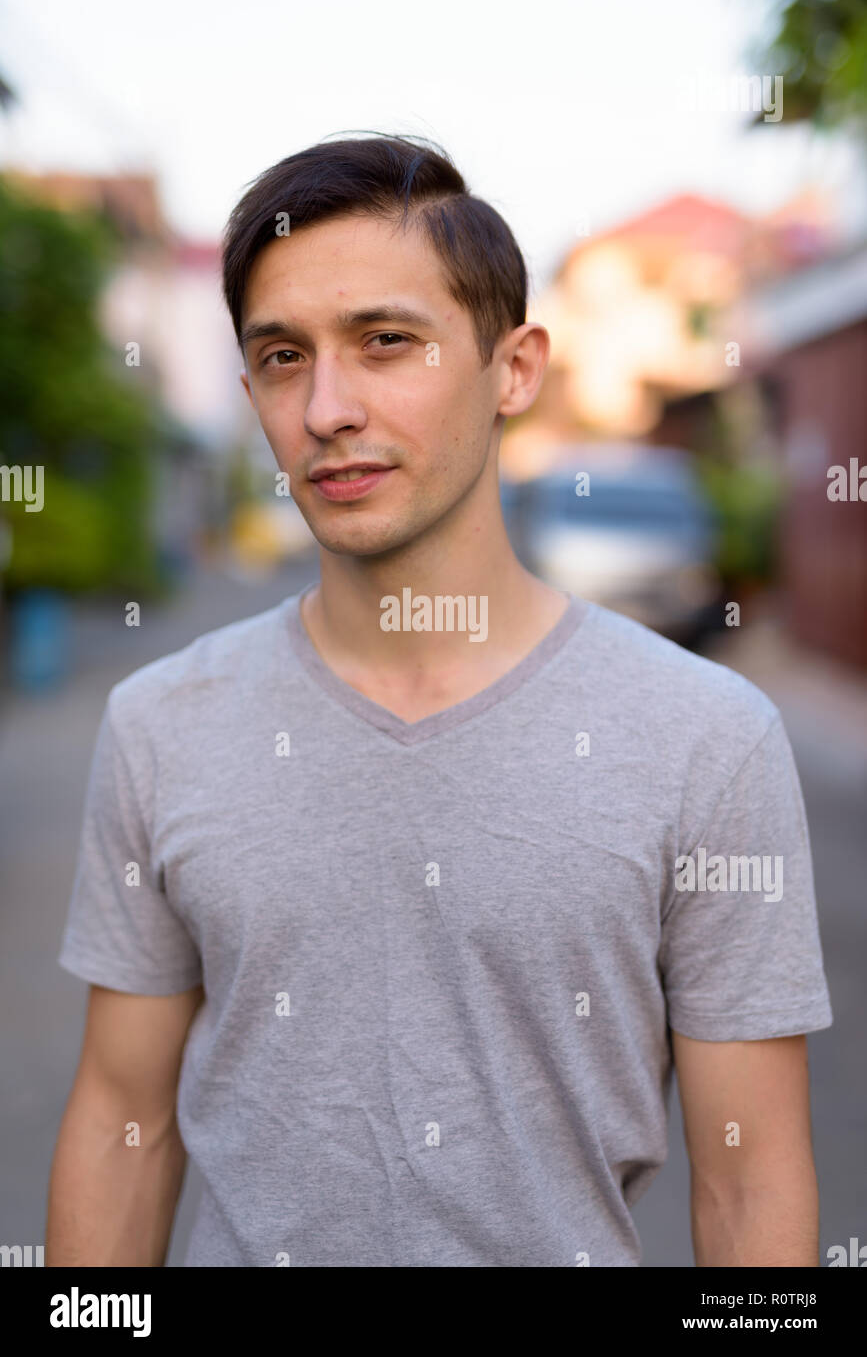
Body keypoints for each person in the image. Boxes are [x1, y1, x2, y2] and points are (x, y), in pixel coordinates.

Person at [47, 134, 832, 1268]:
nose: (326, 407)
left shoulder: (705, 739)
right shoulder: (162, 722)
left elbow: (752, 1178)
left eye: (386, 342)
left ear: (514, 368)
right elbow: (124, 1125)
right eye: (280, 356)